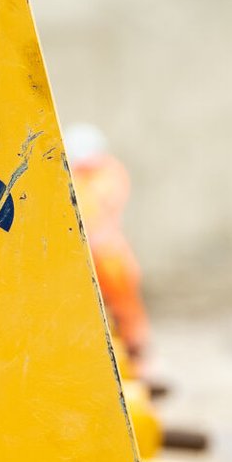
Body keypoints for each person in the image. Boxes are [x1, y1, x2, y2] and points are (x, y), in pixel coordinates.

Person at [67, 123, 151, 367]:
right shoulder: (76, 176)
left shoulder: (108, 174)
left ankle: (139, 360)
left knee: (126, 311)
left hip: (108, 255)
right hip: (88, 257)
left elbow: (98, 210)